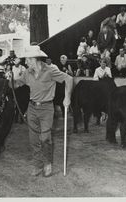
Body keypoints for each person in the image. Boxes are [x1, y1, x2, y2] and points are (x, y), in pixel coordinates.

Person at [11, 45, 73, 177]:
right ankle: (37, 165)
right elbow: (17, 84)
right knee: (33, 139)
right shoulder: (28, 72)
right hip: (32, 108)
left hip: (46, 109)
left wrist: (67, 97)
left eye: (27, 59)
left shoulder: (50, 71)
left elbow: (69, 79)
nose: (25, 62)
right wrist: (10, 79)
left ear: (34, 59)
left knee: (45, 138)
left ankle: (47, 163)